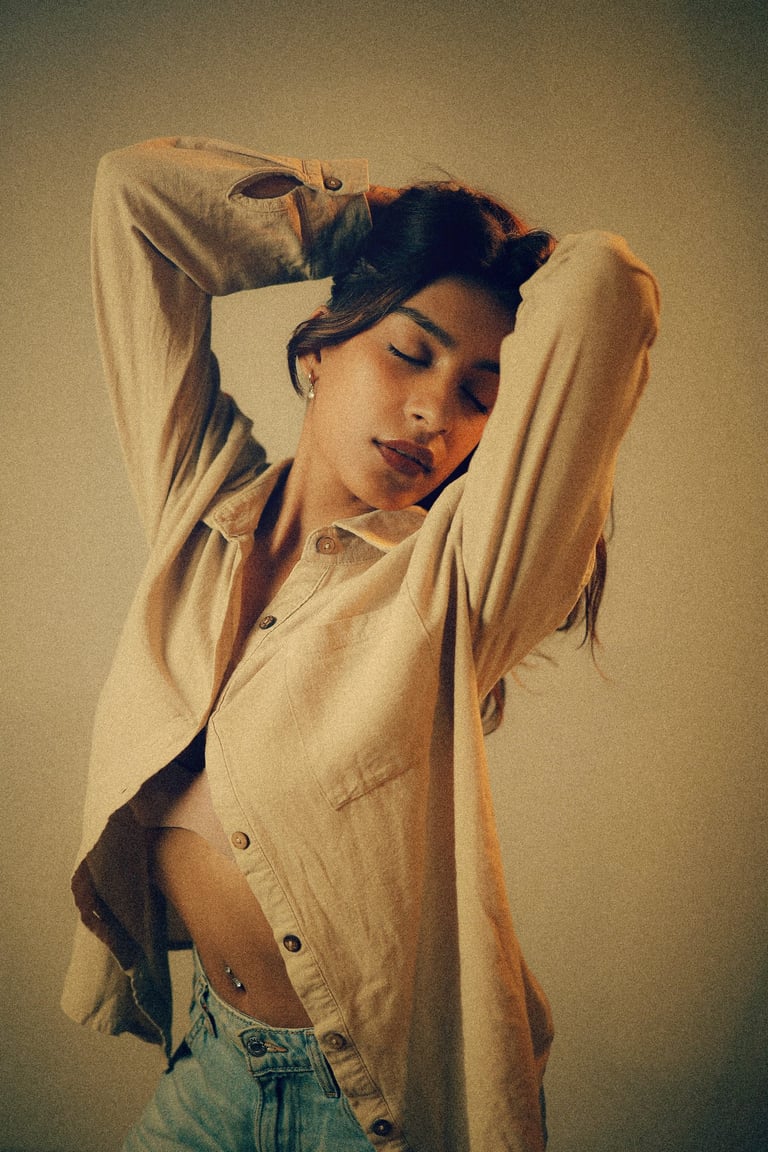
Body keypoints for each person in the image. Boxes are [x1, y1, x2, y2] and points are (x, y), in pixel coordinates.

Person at [61, 136, 659, 1152]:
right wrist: (370, 221)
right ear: (319, 351)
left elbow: (607, 284)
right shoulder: (199, 506)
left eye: (480, 392)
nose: (434, 411)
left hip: (365, 1109)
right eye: (410, 353)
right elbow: (135, 201)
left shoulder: (453, 583)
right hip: (214, 1065)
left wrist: (492, 248)